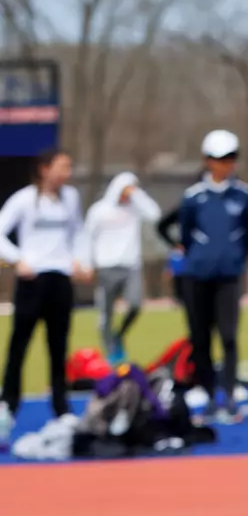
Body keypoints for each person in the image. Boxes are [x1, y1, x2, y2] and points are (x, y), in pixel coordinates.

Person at [0, 150, 89, 444]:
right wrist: (16, 260)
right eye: (62, 167)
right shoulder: (25, 199)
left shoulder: (71, 198)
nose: (66, 173)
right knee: (19, 346)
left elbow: (78, 232)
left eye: (69, 167)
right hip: (32, 280)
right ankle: (8, 404)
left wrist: (79, 260)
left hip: (60, 279)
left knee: (58, 347)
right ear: (44, 169)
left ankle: (61, 407)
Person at [169, 131, 248, 425]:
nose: (225, 165)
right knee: (200, 338)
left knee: (229, 336)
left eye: (231, 158)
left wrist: (233, 259)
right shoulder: (193, 197)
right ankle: (207, 395)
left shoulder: (244, 195)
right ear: (208, 161)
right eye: (219, 159)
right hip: (197, 276)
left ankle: (229, 395)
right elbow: (185, 234)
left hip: (229, 277)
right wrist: (201, 257)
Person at [83, 170, 161, 363]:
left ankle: (120, 334)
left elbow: (155, 214)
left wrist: (136, 194)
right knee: (105, 313)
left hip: (130, 266)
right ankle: (111, 351)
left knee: (135, 305)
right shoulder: (99, 210)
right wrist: (88, 264)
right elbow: (87, 238)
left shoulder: (135, 208)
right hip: (106, 267)